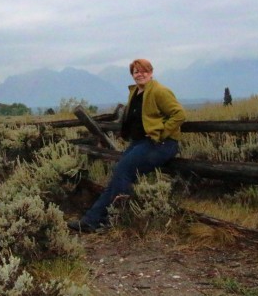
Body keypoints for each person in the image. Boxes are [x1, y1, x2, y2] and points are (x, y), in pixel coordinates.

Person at [67, 58, 186, 232]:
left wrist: (160, 132)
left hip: (161, 144)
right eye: (136, 72)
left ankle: (115, 218)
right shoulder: (135, 92)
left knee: (123, 171)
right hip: (141, 143)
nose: (140, 74)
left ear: (151, 72)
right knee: (118, 175)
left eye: (144, 70)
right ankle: (92, 220)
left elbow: (179, 114)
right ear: (132, 75)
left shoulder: (160, 91)